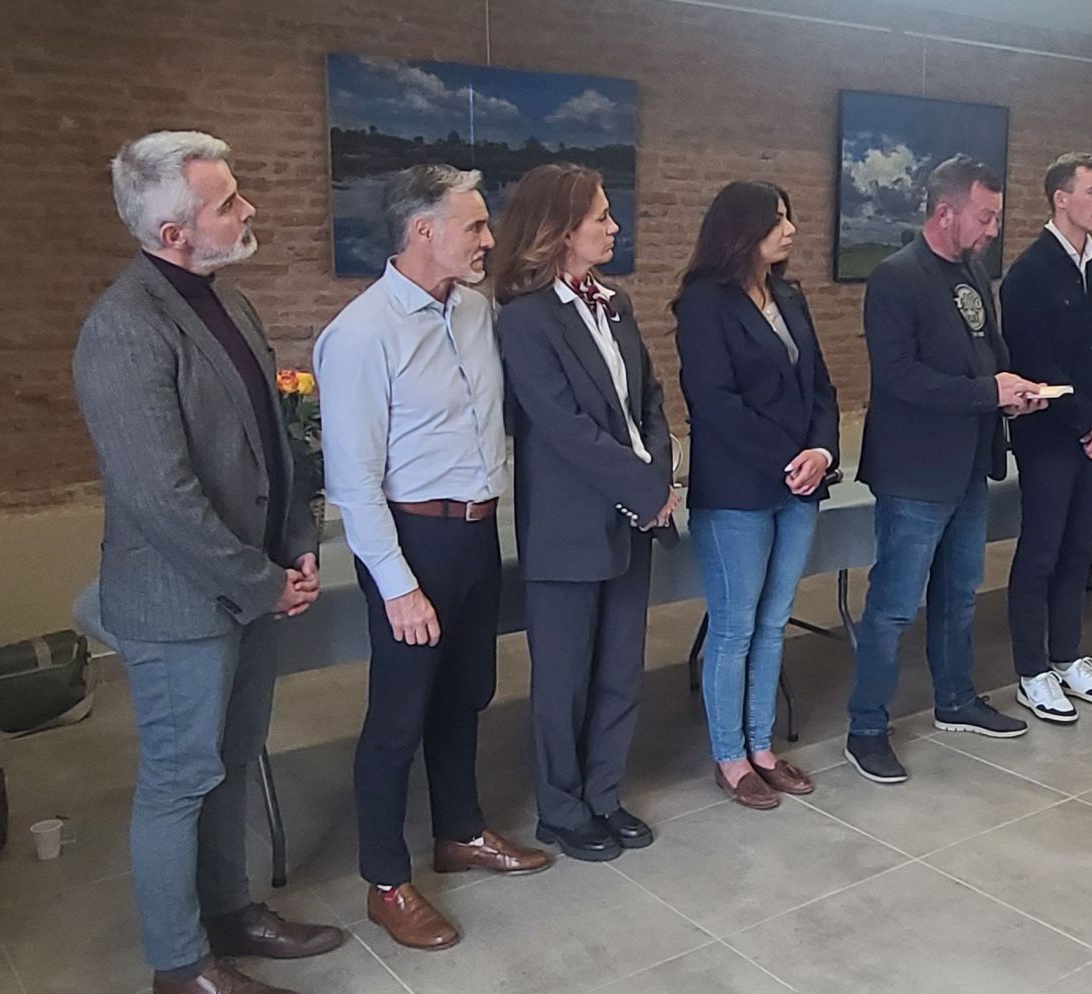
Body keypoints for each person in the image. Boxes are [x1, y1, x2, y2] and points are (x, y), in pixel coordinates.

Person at [74, 131, 343, 994]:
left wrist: (297, 544)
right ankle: (181, 964)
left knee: (235, 758)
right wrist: (262, 581)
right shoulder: (124, 328)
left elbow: (279, 442)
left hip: (252, 585)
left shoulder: (230, 303)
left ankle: (230, 914)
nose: (248, 208)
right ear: (173, 232)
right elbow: (161, 496)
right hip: (179, 602)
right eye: (228, 202)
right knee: (180, 778)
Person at [316, 163, 550, 953]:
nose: (489, 238)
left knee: (466, 694)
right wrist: (397, 586)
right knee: (398, 717)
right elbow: (353, 482)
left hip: (478, 533)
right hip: (412, 540)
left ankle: (461, 832)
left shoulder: (477, 313)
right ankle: (386, 881)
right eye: (475, 225)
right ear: (424, 231)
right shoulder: (361, 334)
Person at [491, 163, 676, 859]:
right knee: (563, 680)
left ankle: (604, 794)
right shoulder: (525, 319)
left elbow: (649, 398)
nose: (614, 226)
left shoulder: (616, 303)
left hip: (633, 520)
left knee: (620, 671)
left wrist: (658, 473)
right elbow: (564, 428)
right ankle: (562, 809)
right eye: (602, 216)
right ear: (561, 230)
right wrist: (646, 490)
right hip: (568, 526)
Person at [843, 156, 1046, 786]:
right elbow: (899, 377)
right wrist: (988, 391)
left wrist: (1014, 391)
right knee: (894, 606)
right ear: (944, 213)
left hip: (969, 462)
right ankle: (866, 728)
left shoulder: (974, 270)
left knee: (960, 594)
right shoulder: (895, 278)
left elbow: (987, 352)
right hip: (914, 469)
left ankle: (955, 699)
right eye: (985, 217)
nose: (992, 230)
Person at [672, 181, 840, 809]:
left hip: (800, 484)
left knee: (773, 623)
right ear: (739, 229)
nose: (790, 229)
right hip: (737, 490)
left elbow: (822, 388)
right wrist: (788, 460)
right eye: (776, 219)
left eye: (789, 217)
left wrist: (821, 452)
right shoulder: (703, 304)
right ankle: (730, 756)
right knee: (736, 627)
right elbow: (715, 405)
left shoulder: (789, 296)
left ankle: (762, 748)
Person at [1000, 153, 1092, 724]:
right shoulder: (1029, 273)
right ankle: (1032, 671)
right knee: (1042, 551)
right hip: (1051, 436)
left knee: (1080, 549)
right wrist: (1088, 423)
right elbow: (1035, 361)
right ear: (1061, 198)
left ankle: (1067, 655)